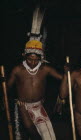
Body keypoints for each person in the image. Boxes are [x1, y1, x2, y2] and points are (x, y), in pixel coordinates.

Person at [7, 6, 63, 140]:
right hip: (23, 105)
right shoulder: (18, 69)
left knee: (48, 135)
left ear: (41, 58)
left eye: (35, 59)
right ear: (24, 56)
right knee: (30, 129)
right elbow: (8, 86)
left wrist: (67, 73)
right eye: (29, 59)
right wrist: (6, 95)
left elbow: (63, 78)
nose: (32, 62)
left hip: (38, 104)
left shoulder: (45, 69)